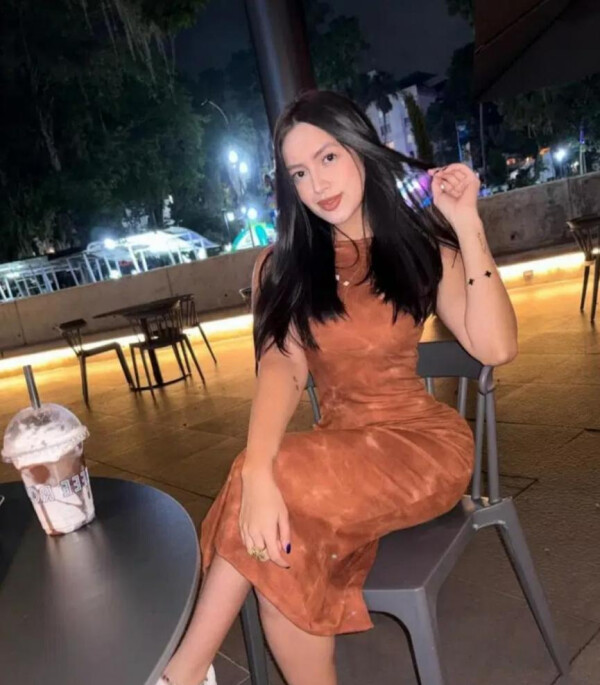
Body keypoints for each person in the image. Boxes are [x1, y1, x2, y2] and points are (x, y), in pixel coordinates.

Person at [158, 90, 518, 685]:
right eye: (299, 172)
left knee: (276, 489)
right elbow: (281, 368)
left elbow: (497, 347)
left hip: (421, 449)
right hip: (339, 452)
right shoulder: (281, 266)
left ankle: (184, 673)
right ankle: (188, 675)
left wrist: (467, 223)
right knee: (282, 556)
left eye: (327, 157)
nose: (317, 182)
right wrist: (257, 471)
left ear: (359, 149)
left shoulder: (420, 249)